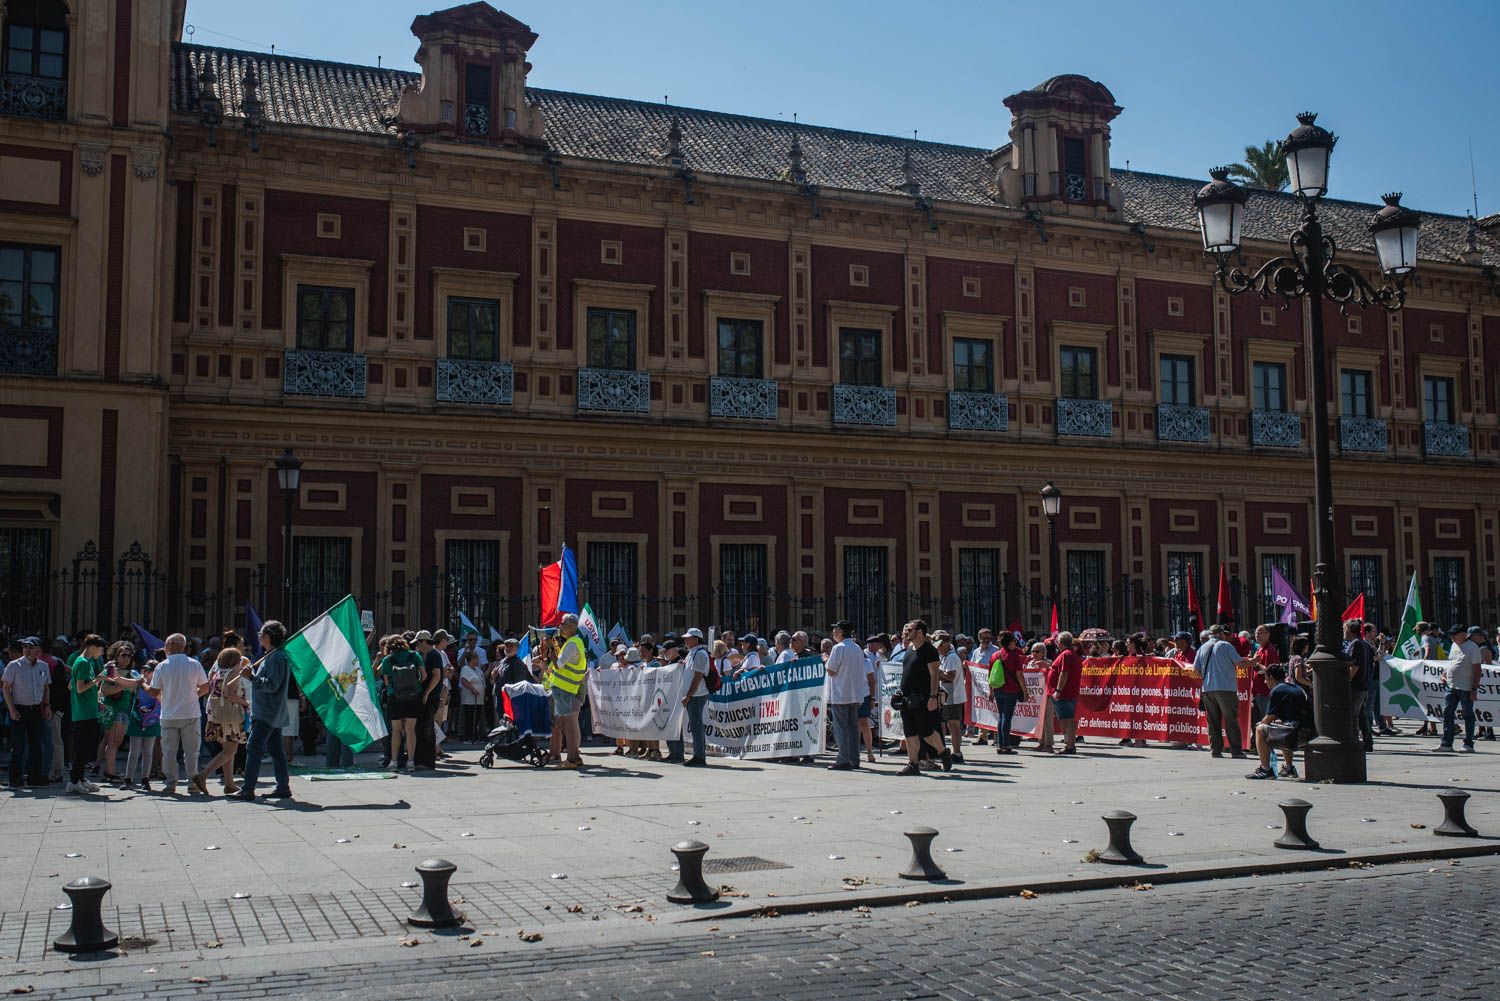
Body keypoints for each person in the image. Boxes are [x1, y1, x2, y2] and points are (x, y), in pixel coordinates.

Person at [147, 633, 210, 795]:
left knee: (169, 751)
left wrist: (143, 685)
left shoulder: (162, 666)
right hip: (191, 713)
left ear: (173, 645)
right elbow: (205, 687)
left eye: (166, 644)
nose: (165, 647)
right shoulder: (194, 664)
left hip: (169, 715)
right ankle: (192, 782)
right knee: (191, 751)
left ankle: (171, 783)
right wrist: (193, 695)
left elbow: (154, 692)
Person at [238, 619, 294, 801]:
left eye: (261, 635)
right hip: (268, 710)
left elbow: (272, 685)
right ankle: (283, 786)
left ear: (268, 637)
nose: (259, 638)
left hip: (268, 712)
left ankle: (248, 788)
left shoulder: (277, 657)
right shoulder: (271, 656)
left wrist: (251, 677)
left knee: (253, 747)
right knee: (276, 750)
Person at [1192, 624, 1255, 759]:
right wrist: (1254, 661)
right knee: (1231, 720)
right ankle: (1236, 751)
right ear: (1221, 634)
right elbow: (1240, 663)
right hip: (1226, 688)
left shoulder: (1202, 648)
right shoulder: (1226, 646)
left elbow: (1195, 670)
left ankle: (1215, 750)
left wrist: (1208, 675)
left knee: (1213, 722)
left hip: (1208, 690)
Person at [898, 620, 950, 775]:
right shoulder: (909, 649)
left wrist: (933, 697)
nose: (907, 631)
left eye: (910, 629)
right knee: (910, 733)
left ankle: (943, 752)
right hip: (906, 699)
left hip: (923, 699)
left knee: (927, 733)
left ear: (919, 632)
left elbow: (934, 675)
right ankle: (913, 764)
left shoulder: (929, 651)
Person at [196, 646, 250, 794]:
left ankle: (229, 783)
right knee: (229, 751)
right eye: (239, 660)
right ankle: (202, 776)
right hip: (229, 718)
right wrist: (245, 703)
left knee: (228, 751)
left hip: (217, 716)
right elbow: (229, 694)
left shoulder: (217, 673)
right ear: (234, 661)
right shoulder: (233, 673)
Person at [1245, 664, 1309, 780]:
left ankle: (1265, 769)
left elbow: (1269, 718)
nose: (1265, 682)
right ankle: (1289, 767)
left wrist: (1260, 723)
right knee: (1281, 725)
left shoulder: (1276, 690)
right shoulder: (1295, 688)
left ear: (1271, 678)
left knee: (1260, 729)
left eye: (1265, 678)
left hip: (1295, 734)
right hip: (1306, 731)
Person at [3, 637, 51, 790]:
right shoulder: (14, 666)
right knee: (19, 745)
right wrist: (11, 708)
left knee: (37, 744)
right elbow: (6, 687)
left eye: (31, 647)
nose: (27, 650)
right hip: (19, 708)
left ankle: (34, 777)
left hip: (36, 709)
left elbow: (46, 687)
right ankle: (15, 778)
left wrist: (47, 705)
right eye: (24, 647)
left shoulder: (43, 666)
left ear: (38, 650)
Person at [67, 634, 108, 794]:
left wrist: (93, 699)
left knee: (85, 748)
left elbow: (71, 685)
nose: (102, 653)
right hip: (84, 713)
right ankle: (74, 781)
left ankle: (80, 779)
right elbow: (79, 688)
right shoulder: (83, 662)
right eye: (101, 649)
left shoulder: (85, 662)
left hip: (86, 711)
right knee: (83, 749)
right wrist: (98, 679)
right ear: (92, 647)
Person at [96, 641, 142, 784]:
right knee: (113, 742)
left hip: (123, 710)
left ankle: (109, 770)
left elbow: (137, 685)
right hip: (114, 710)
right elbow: (105, 689)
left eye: (129, 655)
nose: (126, 658)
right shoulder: (110, 670)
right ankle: (110, 773)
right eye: (123, 655)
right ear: (116, 655)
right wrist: (123, 684)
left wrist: (121, 682)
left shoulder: (131, 672)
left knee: (115, 742)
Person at [824, 620, 866, 771]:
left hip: (841, 693)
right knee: (853, 729)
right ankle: (854, 759)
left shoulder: (838, 648)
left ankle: (843, 759)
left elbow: (831, 670)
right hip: (855, 694)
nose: (833, 633)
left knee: (840, 728)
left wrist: (825, 660)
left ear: (841, 632)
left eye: (835, 630)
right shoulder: (857, 648)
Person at [380, 635, 425, 772]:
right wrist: (416, 686)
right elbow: (424, 675)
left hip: (395, 697)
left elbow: (386, 681)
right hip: (413, 696)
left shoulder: (388, 660)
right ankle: (411, 762)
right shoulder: (415, 656)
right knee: (410, 730)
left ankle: (394, 762)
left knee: (396, 730)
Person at [549, 613, 588, 769]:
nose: (560, 626)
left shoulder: (572, 643)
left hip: (564, 689)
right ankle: (575, 757)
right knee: (569, 723)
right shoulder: (575, 643)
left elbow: (558, 665)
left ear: (571, 626)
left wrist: (552, 651)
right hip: (568, 688)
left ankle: (570, 760)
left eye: (563, 624)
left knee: (567, 725)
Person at [1436, 623, 1481, 753]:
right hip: (1451, 685)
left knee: (1468, 715)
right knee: (1447, 713)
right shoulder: (1454, 645)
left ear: (1463, 635)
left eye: (1454, 635)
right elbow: (1451, 662)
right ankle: (1446, 743)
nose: (1452, 637)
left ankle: (1468, 744)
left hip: (1466, 687)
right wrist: (1445, 674)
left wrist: (1474, 689)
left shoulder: (1473, 648)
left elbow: (1477, 670)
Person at [123, 661, 162, 792]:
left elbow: (161, 699)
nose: (144, 673)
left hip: (152, 719)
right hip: (137, 718)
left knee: (148, 751)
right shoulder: (138, 683)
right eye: (143, 670)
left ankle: (145, 779)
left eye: (148, 670)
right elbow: (124, 681)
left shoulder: (158, 685)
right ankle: (128, 779)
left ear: (154, 672)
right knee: (134, 751)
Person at [1045, 631, 1083, 756]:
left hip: (1064, 693)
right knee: (1067, 718)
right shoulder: (1072, 654)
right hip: (1068, 691)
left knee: (1067, 719)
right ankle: (1069, 743)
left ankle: (1070, 745)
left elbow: (1064, 672)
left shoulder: (1066, 655)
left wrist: (1058, 690)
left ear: (1060, 643)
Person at [412, 630, 445, 770]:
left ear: (424, 641)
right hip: (427, 696)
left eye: (419, 643)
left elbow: (436, 676)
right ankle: (421, 760)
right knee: (422, 728)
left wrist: (426, 693)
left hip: (431, 697)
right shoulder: (427, 655)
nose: (418, 646)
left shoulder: (433, 655)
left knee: (427, 729)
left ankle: (428, 762)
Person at [679, 627, 711, 767]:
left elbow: (698, 677)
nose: (686, 640)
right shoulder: (692, 653)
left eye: (688, 638)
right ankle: (698, 755)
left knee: (696, 726)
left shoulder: (699, 654)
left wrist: (689, 695)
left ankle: (699, 757)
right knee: (695, 725)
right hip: (693, 695)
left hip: (696, 695)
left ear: (696, 639)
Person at [991, 632, 1027, 754]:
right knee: (1007, 717)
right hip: (1011, 690)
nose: (1015, 643)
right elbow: (1019, 675)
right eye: (1014, 641)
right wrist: (1025, 691)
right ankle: (1005, 745)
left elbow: (990, 674)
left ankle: (1001, 744)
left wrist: (991, 691)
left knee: (1001, 716)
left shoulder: (995, 655)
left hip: (998, 689)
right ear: (1010, 642)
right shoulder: (1014, 656)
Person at [1343, 619, 1376, 752]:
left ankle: (1354, 741)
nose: (1343, 632)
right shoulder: (1365, 644)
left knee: (1353, 715)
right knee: (1362, 715)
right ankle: (1368, 742)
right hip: (1364, 685)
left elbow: (1354, 666)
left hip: (1356, 686)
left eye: (1345, 629)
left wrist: (1347, 681)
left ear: (1350, 630)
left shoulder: (1355, 644)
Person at [935, 630, 966, 763]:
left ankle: (957, 753)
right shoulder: (947, 657)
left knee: (954, 725)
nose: (938, 648)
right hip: (950, 695)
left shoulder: (951, 658)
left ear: (945, 644)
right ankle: (956, 752)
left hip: (952, 696)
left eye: (939, 645)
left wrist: (938, 671)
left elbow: (950, 676)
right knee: (951, 725)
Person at [458, 649, 485, 743]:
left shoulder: (477, 669)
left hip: (479, 699)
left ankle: (475, 736)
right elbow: (464, 681)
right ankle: (468, 737)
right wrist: (473, 689)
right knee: (470, 718)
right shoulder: (466, 668)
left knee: (476, 718)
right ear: (472, 659)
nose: (478, 660)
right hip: (470, 699)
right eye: (476, 658)